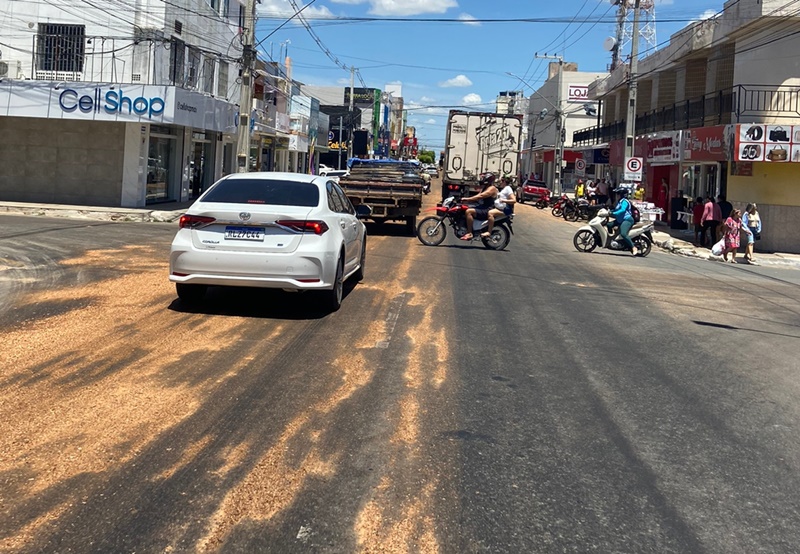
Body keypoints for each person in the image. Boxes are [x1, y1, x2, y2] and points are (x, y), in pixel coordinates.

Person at [460, 173, 499, 240]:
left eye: (484, 178)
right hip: (483, 207)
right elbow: (478, 195)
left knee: (469, 211)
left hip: (488, 209)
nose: (482, 179)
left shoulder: (492, 189)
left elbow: (480, 196)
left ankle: (470, 233)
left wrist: (467, 199)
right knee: (465, 207)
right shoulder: (485, 187)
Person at [608, 186, 638, 256]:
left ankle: (633, 247)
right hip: (619, 219)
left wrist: (613, 213)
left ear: (621, 195)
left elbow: (622, 210)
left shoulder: (625, 201)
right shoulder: (620, 202)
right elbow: (616, 210)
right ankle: (611, 239)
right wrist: (609, 211)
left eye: (618, 194)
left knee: (623, 233)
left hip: (627, 220)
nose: (616, 195)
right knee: (609, 225)